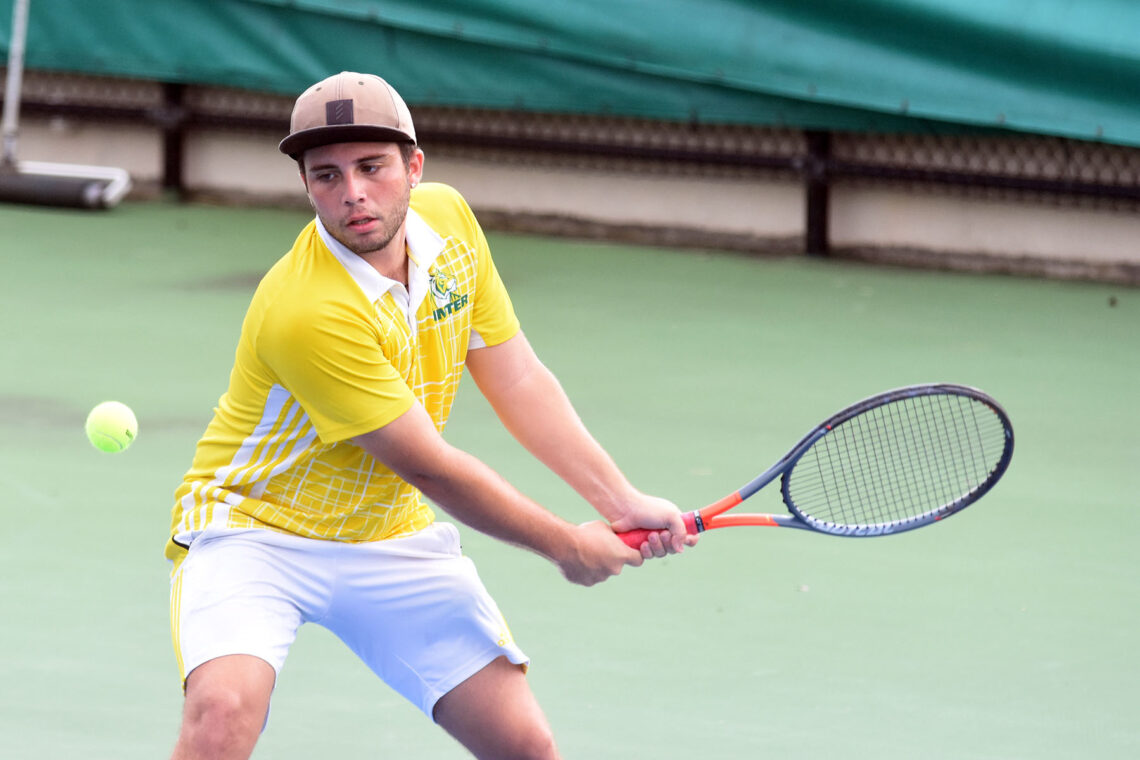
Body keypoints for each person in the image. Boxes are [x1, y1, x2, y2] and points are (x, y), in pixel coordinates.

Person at [164, 71, 696, 760]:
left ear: (414, 166)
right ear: (305, 186)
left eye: (372, 167)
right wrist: (568, 544)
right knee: (221, 716)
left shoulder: (451, 225)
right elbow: (432, 468)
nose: (352, 192)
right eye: (326, 175)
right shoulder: (306, 311)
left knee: (525, 746)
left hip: (388, 533)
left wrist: (620, 501)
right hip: (256, 532)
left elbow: (519, 378)